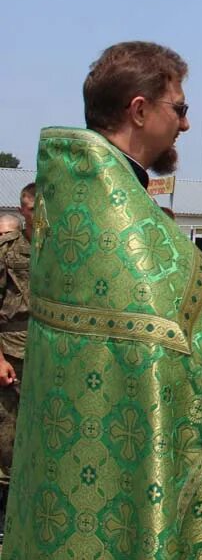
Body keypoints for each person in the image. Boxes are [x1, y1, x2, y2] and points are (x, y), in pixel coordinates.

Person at [3, 41, 202, 559]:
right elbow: (168, 343)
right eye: (180, 108)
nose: (186, 125)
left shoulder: (78, 196)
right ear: (140, 110)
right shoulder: (115, 216)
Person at [0, 183, 34, 531]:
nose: (36, 216)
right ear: (22, 210)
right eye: (30, 209)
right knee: (7, 438)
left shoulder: (61, 250)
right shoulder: (8, 251)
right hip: (12, 352)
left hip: (49, 355)